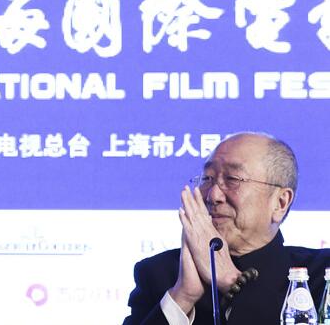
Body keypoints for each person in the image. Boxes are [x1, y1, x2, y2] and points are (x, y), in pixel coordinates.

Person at [123, 132, 330, 324]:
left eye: (232, 179)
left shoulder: (320, 275)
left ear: (280, 202)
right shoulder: (159, 274)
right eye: (207, 179)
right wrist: (183, 297)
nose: (213, 195)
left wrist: (231, 280)